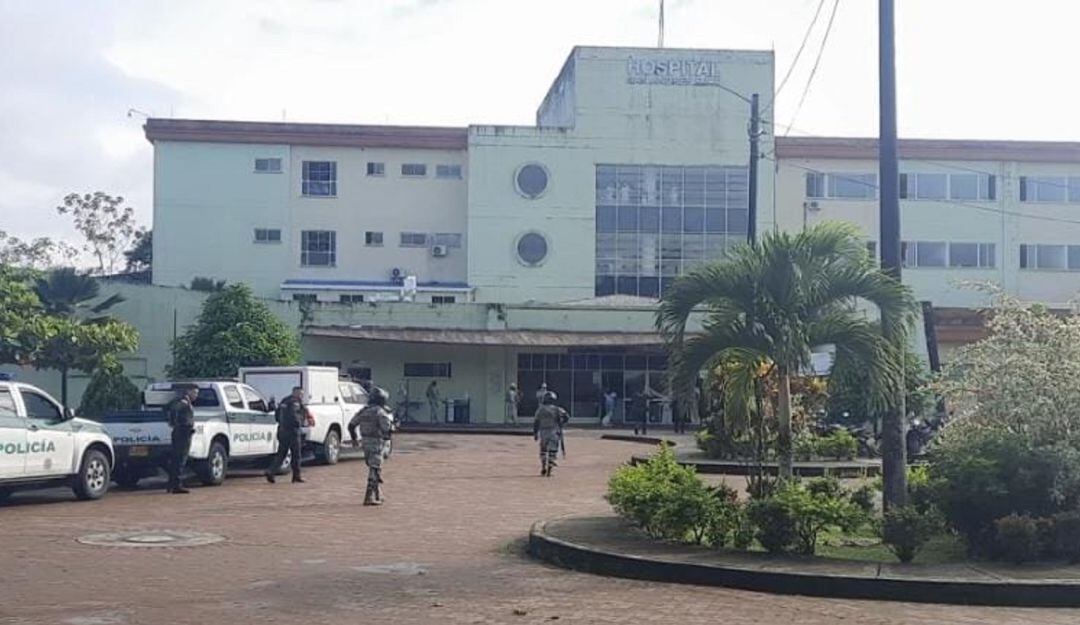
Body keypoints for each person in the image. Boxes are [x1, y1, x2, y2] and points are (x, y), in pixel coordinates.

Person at [349, 386, 394, 505]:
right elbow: (386, 429)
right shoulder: (380, 412)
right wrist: (391, 428)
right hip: (377, 442)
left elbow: (351, 425)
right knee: (375, 469)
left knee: (373, 466)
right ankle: (369, 497)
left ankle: (378, 493)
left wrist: (354, 439)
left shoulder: (364, 411)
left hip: (365, 442)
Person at [265, 386, 306, 484]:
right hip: (292, 431)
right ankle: (296, 476)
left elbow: (277, 414)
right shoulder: (295, 402)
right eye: (300, 394)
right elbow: (294, 416)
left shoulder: (284, 400)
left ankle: (271, 471)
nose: (301, 396)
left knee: (282, 454)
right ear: (295, 393)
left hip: (282, 430)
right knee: (296, 455)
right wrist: (300, 423)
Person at [165, 384, 199, 494]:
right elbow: (173, 411)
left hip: (181, 431)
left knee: (177, 458)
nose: (196, 395)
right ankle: (176, 485)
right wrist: (176, 423)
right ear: (188, 391)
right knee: (180, 459)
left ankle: (172, 484)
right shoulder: (182, 402)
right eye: (195, 392)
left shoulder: (182, 401)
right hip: (182, 432)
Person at [533, 391, 568, 477]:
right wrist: (561, 423)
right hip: (553, 432)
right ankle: (550, 468)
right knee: (552, 451)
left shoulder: (540, 410)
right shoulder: (557, 409)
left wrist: (535, 433)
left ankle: (543, 466)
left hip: (543, 432)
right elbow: (566, 416)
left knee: (543, 451)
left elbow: (536, 422)